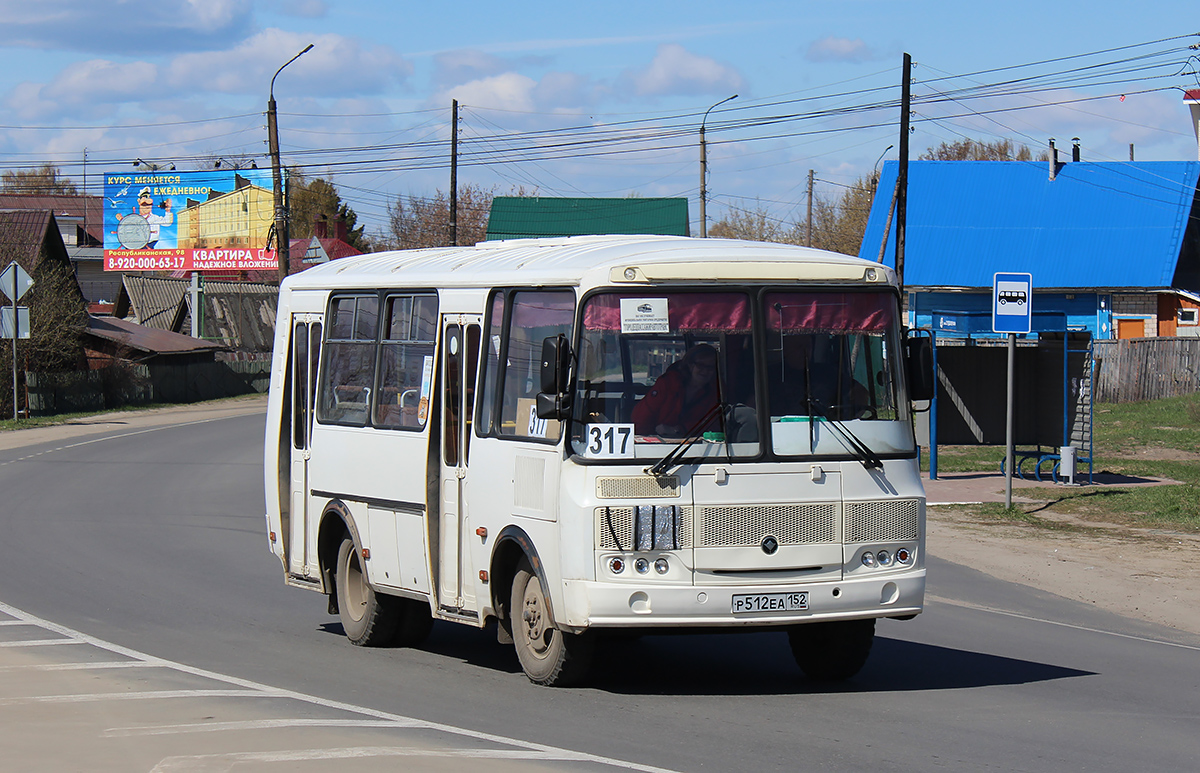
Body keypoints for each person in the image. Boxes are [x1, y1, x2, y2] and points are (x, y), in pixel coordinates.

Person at [768, 333, 872, 420]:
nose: (805, 351)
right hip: (778, 434)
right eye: (799, 347)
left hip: (827, 432)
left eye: (808, 346)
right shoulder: (771, 375)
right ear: (785, 349)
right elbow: (753, 406)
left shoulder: (827, 373)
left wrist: (850, 416)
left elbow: (861, 392)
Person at [632, 344, 720, 437]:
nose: (705, 371)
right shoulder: (668, 383)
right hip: (656, 442)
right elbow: (642, 417)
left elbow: (713, 426)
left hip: (695, 445)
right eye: (701, 365)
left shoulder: (716, 392)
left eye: (710, 367)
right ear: (690, 365)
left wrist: (678, 429)